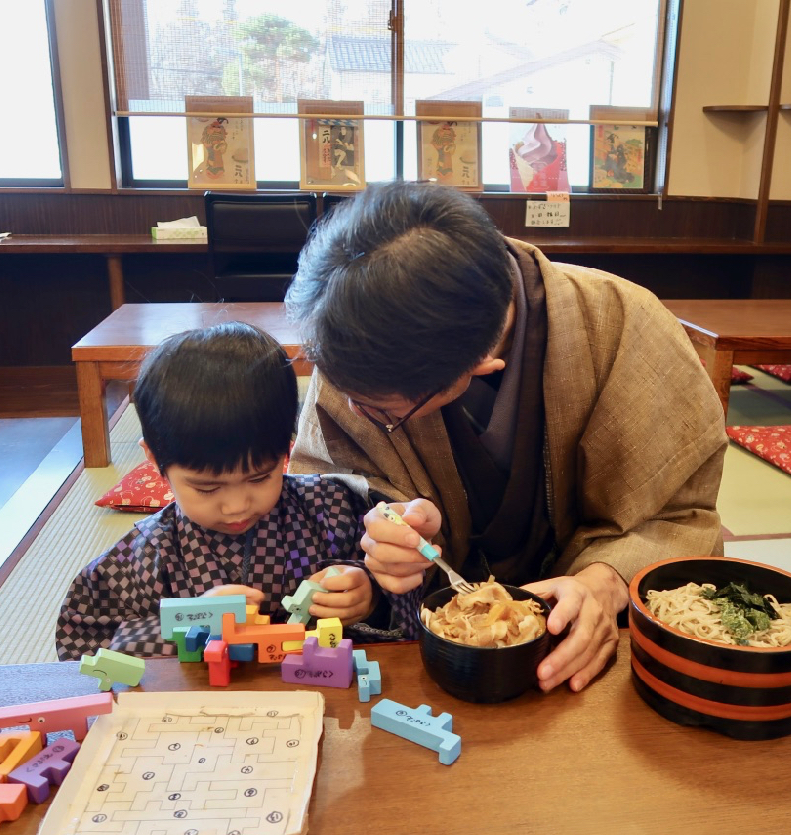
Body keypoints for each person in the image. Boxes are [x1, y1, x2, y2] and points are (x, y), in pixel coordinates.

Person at [284, 180, 728, 693]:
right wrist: (380, 546)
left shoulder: (622, 324)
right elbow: (318, 495)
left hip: (580, 657)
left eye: (381, 412)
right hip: (429, 659)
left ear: (481, 361)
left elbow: (679, 512)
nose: (353, 412)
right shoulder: (354, 345)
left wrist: (606, 580)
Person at [56, 322, 374, 661]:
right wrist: (187, 624)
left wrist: (370, 597)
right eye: (207, 488)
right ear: (154, 458)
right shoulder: (144, 557)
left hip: (318, 684)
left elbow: (395, 584)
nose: (236, 506)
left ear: (287, 448)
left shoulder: (330, 510)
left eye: (259, 478)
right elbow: (83, 648)